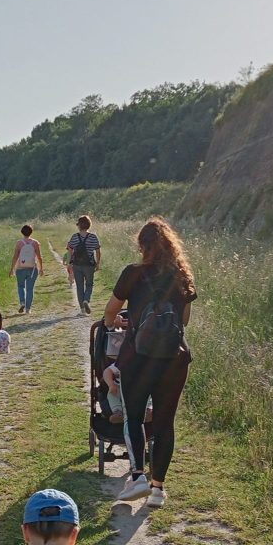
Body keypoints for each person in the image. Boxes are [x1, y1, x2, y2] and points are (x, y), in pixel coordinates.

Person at [103, 217, 196, 509]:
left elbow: (110, 312)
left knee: (134, 415)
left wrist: (116, 322)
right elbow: (184, 321)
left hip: (138, 357)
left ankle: (138, 476)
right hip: (174, 358)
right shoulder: (182, 275)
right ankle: (158, 490)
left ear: (143, 245)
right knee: (165, 423)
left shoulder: (133, 274)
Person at [66, 215, 101, 314]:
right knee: (89, 284)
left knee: (79, 286)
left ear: (79, 226)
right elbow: (98, 251)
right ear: (89, 225)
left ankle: (82, 309)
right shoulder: (93, 237)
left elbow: (70, 250)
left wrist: (69, 263)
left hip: (77, 265)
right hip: (89, 265)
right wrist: (98, 263)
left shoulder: (74, 237)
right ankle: (86, 300)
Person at [9, 224, 44, 315]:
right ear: (31, 232)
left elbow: (15, 257)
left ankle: (22, 303)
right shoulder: (35, 243)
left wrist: (12, 269)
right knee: (30, 289)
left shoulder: (19, 243)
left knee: (21, 286)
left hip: (20, 269)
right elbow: (39, 257)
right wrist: (41, 268)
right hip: (32, 269)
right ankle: (28, 309)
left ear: (22, 232)